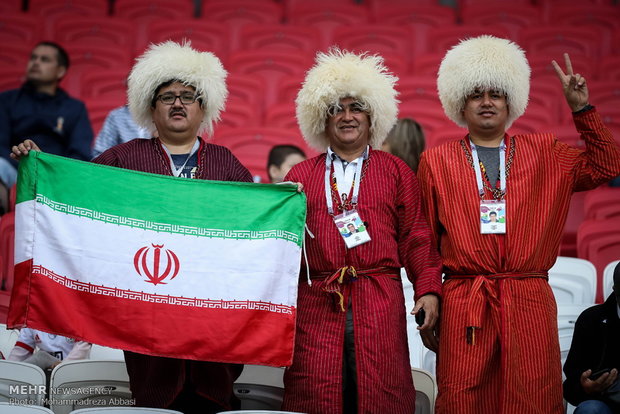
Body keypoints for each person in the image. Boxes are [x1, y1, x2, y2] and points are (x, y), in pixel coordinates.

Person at [12, 41, 252, 414]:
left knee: (210, 399)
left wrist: (287, 200)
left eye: (188, 96)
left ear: (203, 108)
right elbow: (79, 189)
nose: (177, 104)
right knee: (155, 402)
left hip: (209, 312)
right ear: (150, 109)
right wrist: (39, 165)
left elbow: (254, 223)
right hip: (147, 305)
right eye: (167, 97)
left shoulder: (225, 162)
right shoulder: (125, 158)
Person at [416, 35, 620, 414]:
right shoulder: (436, 161)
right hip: (466, 298)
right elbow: (426, 239)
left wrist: (583, 111)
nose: (487, 101)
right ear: (461, 100)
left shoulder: (546, 151)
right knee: (462, 398)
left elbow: (608, 166)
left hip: (528, 297)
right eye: (476, 94)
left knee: (531, 399)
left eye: (496, 93)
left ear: (511, 99)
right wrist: (429, 293)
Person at [281, 48, 443, 414]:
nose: (347, 116)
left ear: (373, 117)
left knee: (380, 394)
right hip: (317, 304)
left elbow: (417, 237)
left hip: (379, 300)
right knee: (316, 395)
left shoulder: (396, 171)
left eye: (357, 108)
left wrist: (429, 290)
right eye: (337, 108)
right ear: (322, 118)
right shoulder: (299, 177)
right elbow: (282, 252)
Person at [0, 41, 93, 187]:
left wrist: (48, 170)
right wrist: (27, 167)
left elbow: (79, 154)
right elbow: (1, 146)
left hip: (56, 178)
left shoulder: (74, 108)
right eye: (33, 58)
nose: (36, 63)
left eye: (44, 59)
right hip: (15, 172)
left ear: (60, 71)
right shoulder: (6, 100)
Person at [563, 262, 620, 414]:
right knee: (590, 410)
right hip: (605, 402)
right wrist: (586, 386)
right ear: (615, 290)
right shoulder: (591, 320)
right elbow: (571, 382)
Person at [8, 328, 91, 370]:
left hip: (71, 372)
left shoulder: (79, 319)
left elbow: (81, 352)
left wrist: (61, 367)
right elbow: (19, 353)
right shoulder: (32, 318)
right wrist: (7, 369)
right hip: (42, 374)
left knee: (41, 357)